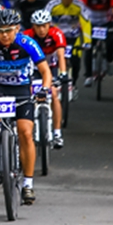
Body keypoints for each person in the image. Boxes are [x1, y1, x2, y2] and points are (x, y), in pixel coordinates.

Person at [0, 9, 51, 205]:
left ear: (17, 29)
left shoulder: (27, 43)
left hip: (21, 90)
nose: (4, 35)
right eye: (0, 30)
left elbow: (45, 72)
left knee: (26, 133)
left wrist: (44, 89)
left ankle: (28, 183)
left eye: (9, 30)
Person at [24, 10, 67, 148]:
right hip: (34, 69)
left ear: (50, 24)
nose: (41, 29)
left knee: (53, 94)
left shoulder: (57, 34)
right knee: (29, 94)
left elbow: (61, 55)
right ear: (33, 26)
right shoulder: (27, 36)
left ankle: (57, 133)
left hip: (51, 66)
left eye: (44, 25)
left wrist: (63, 73)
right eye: (38, 26)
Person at [44, 0, 92, 98]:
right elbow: (44, 23)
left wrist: (87, 41)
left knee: (75, 60)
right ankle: (52, 81)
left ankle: (73, 83)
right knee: (52, 60)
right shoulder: (52, 5)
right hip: (56, 37)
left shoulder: (79, 5)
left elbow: (86, 23)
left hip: (73, 37)